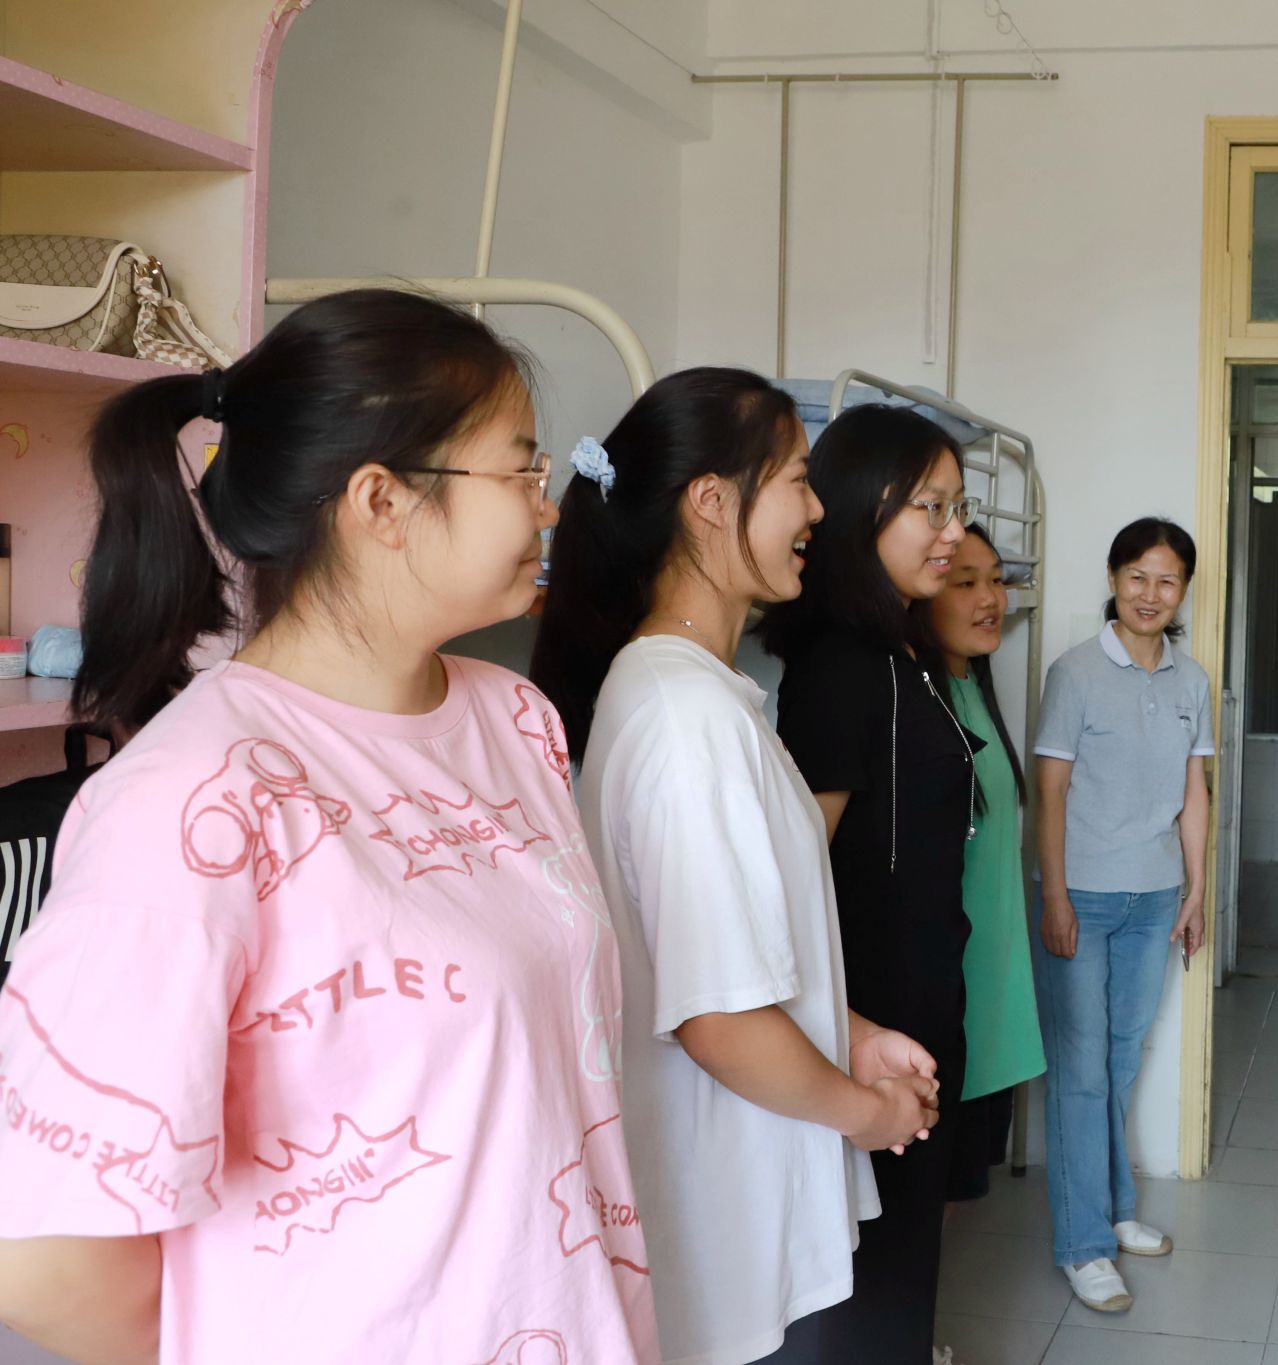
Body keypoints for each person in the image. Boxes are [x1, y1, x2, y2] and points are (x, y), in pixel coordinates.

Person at [0, 289, 658, 1364]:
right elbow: (47, 1262)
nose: (547, 510)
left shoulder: (515, 720)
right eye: (520, 473)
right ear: (381, 501)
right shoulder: (192, 798)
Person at [529, 370, 941, 1365]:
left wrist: (849, 1035)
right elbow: (716, 1019)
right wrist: (866, 1113)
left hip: (744, 1189)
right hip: (729, 1213)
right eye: (797, 479)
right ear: (711, 501)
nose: (817, 509)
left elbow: (729, 956)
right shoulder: (687, 720)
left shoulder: (694, 695)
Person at [758, 404, 978, 1364]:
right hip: (867, 1023)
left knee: (904, 1269)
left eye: (958, 507)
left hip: (918, 1007)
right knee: (869, 1285)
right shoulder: (839, 668)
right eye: (930, 506)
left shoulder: (905, 653)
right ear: (859, 507)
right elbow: (796, 875)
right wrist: (845, 1035)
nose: (953, 532)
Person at [1033, 516, 1214, 1314]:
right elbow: (1050, 791)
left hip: (1155, 896)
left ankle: (1111, 1210)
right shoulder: (1074, 672)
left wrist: (1197, 888)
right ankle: (1084, 1246)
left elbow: (1195, 792)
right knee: (1079, 1069)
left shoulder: (1190, 680)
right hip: (1083, 893)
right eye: (1137, 575)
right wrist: (1054, 893)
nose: (1150, 593)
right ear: (1113, 579)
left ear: (1183, 590)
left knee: (1118, 1062)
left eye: (1167, 579)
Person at [915, 523, 1047, 1204]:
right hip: (953, 999)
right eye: (965, 582)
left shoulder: (971, 693)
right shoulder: (921, 706)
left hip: (989, 993)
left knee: (960, 1192)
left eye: (996, 579)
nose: (991, 598)